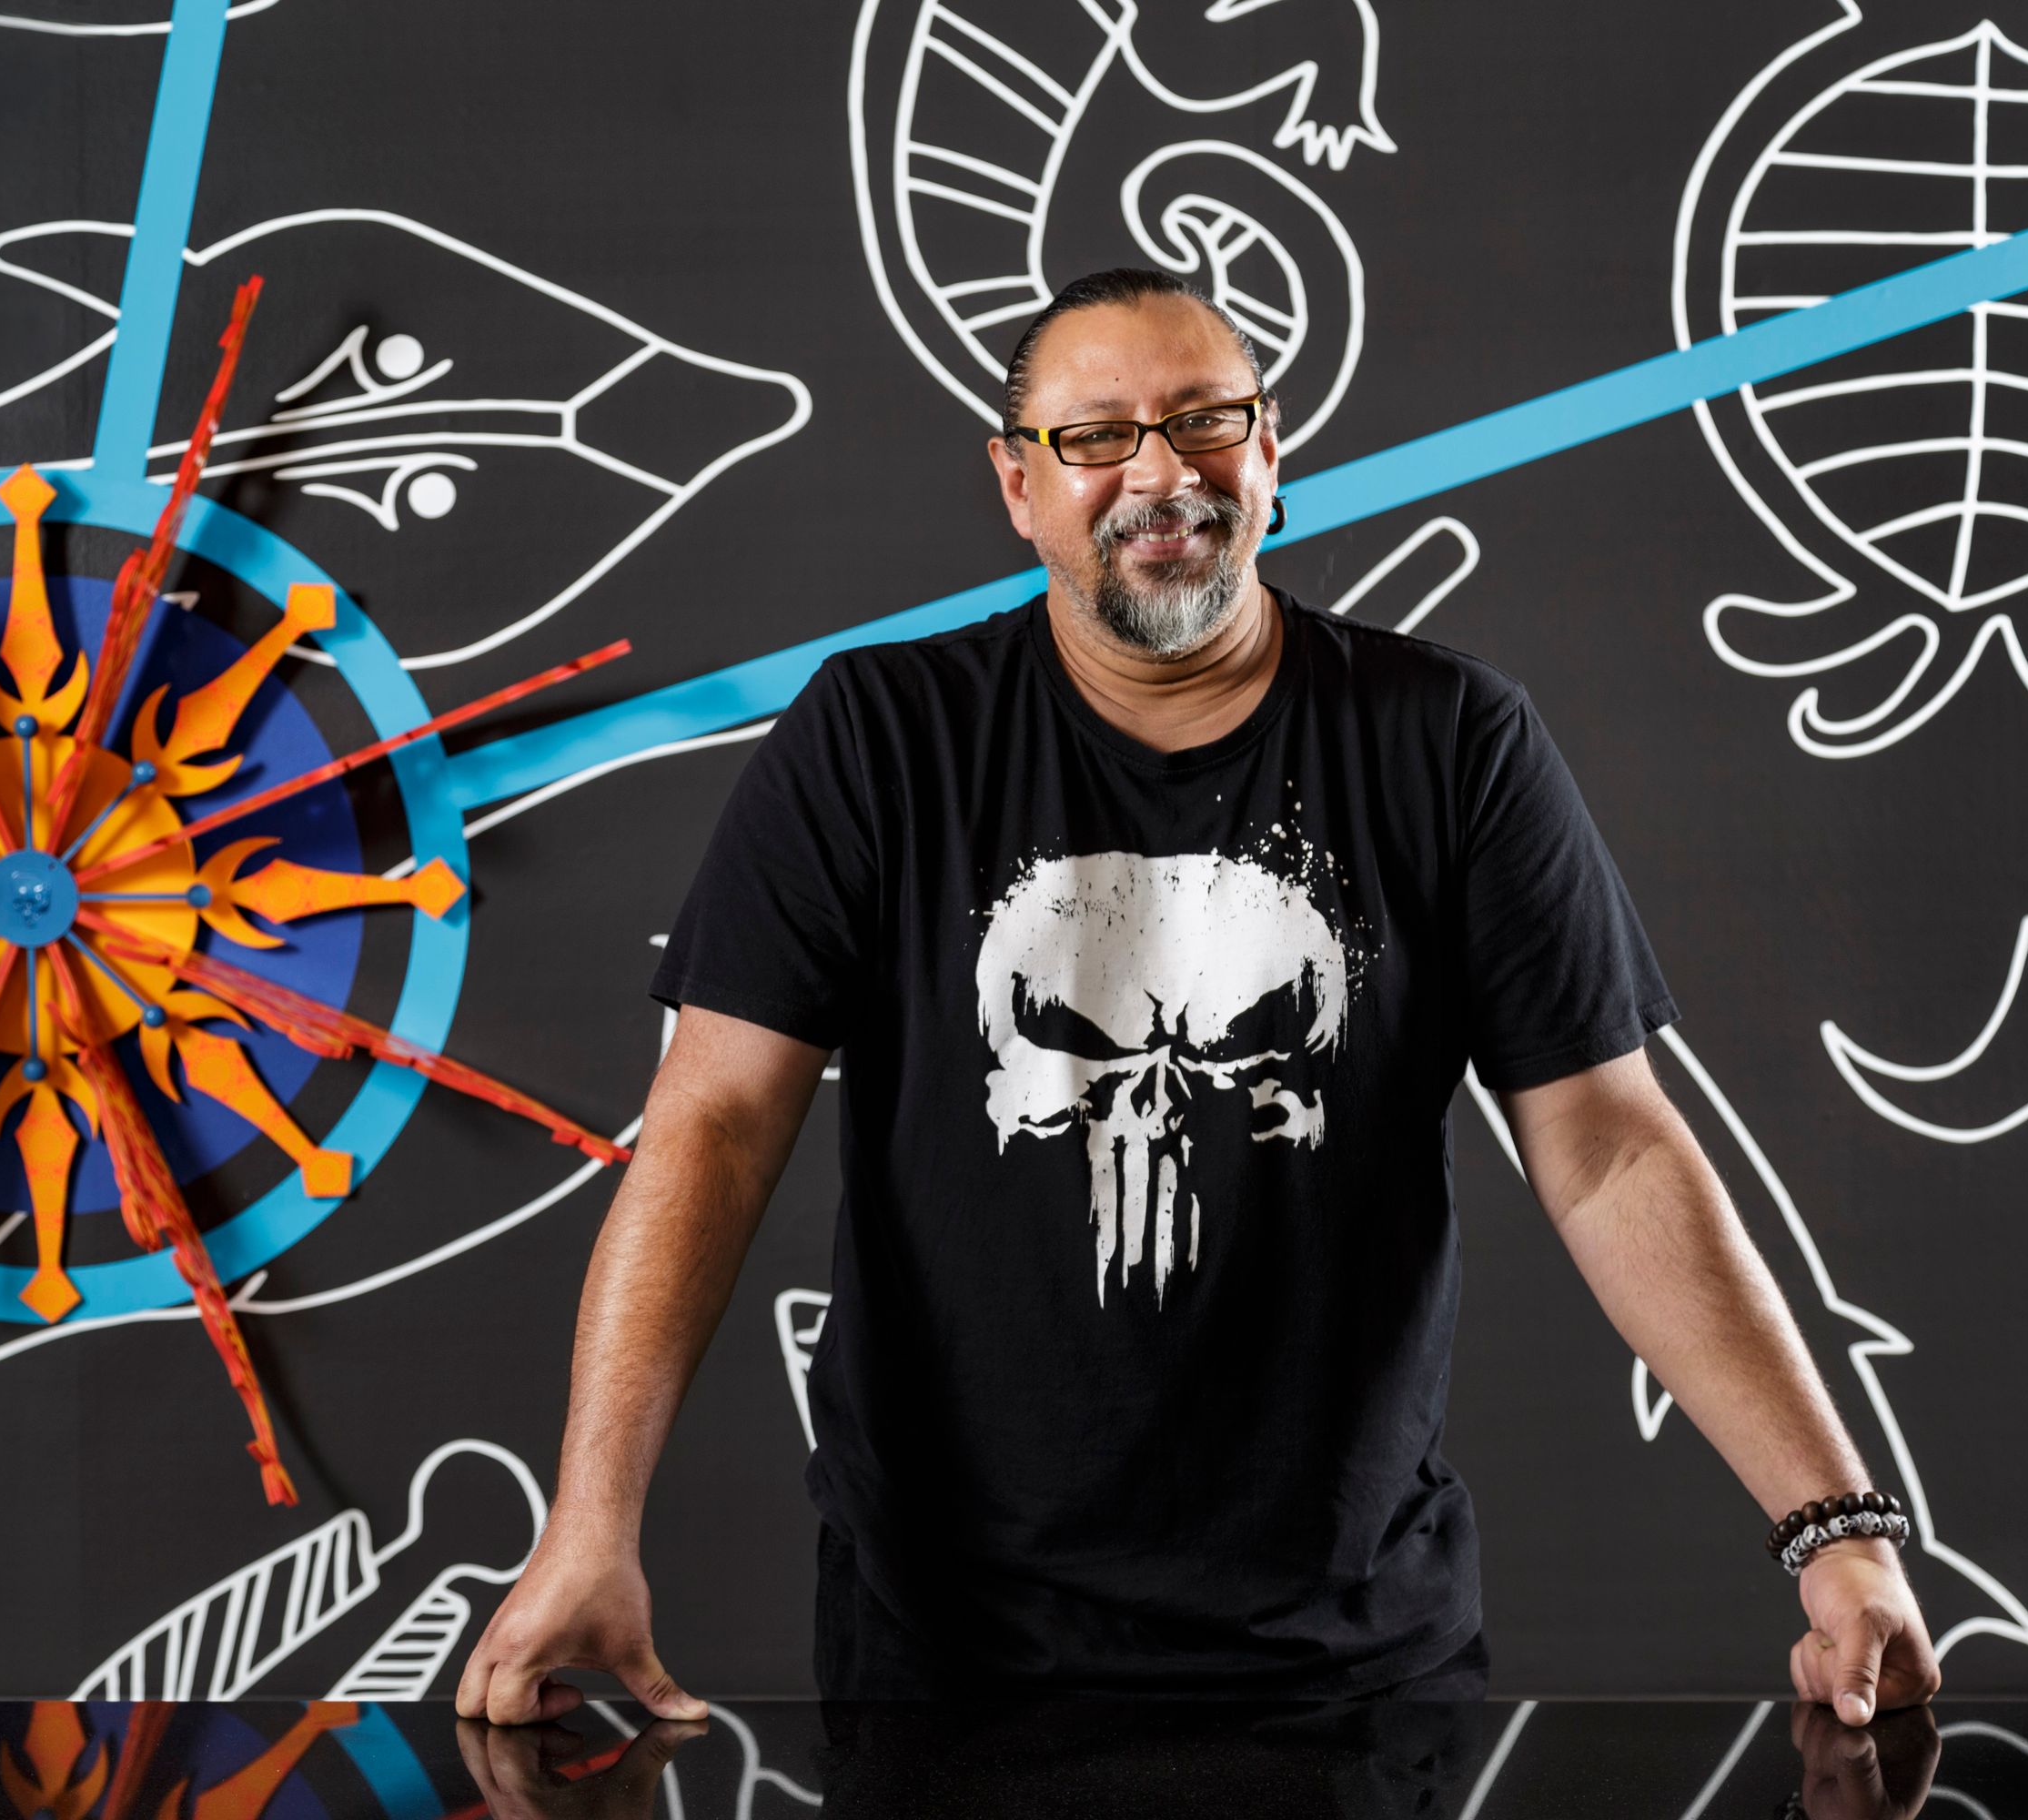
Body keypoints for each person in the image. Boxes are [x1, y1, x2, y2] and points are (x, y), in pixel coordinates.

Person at [453, 267, 1943, 1716]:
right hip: (943, 1653)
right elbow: (711, 1122)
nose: (1160, 470)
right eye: (1096, 435)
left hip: (1358, 1659)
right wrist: (591, 1523)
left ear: (1270, 452)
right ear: (1019, 486)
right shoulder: (878, 739)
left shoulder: (1450, 742)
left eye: (1206, 419)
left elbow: (1613, 1148)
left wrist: (1840, 1534)